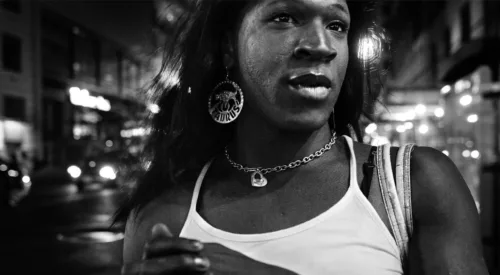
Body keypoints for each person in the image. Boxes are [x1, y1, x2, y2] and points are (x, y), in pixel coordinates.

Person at [116, 0, 489, 274]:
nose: (320, 44)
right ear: (228, 47)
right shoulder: (163, 213)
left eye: (336, 25)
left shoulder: (413, 184)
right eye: (284, 17)